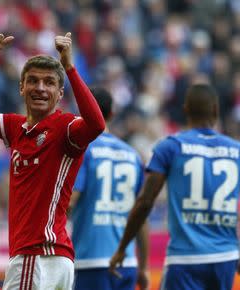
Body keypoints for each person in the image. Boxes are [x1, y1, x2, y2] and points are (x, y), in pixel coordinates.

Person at [0, 31, 105, 290]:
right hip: (50, 258)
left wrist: (69, 66)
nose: (40, 88)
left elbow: (97, 124)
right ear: (21, 87)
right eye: (33, 81)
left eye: (49, 82)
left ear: (60, 92)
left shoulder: (65, 128)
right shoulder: (15, 127)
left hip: (37, 256)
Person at [109, 83, 240, 290]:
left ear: (185, 111)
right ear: (216, 111)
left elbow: (145, 202)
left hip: (185, 257)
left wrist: (122, 247)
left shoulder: (170, 147)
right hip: (225, 258)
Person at [69, 87, 149, 290]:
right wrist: (143, 267)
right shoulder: (133, 155)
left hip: (90, 260)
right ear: (112, 114)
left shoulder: (84, 150)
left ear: (82, 112)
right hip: (126, 262)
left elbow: (70, 201)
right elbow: (141, 213)